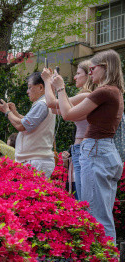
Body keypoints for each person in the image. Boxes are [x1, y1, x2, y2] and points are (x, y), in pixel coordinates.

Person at [51, 49, 124, 242]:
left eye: (92, 69)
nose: (89, 73)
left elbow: (67, 114)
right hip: (104, 150)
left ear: (105, 67)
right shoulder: (114, 92)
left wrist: (60, 88)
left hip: (96, 151)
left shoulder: (105, 91)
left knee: (97, 217)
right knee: (102, 214)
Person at [41, 60, 96, 200]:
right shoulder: (87, 97)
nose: (75, 77)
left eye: (78, 73)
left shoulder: (86, 96)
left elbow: (51, 104)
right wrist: (52, 86)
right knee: (81, 197)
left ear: (88, 75)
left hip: (83, 148)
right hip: (80, 149)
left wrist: (47, 81)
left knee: (83, 199)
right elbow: (54, 108)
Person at [0, 72, 56, 177]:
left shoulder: (42, 104)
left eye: (29, 87)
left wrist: (7, 112)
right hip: (35, 161)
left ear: (41, 87)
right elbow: (28, 122)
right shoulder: (42, 103)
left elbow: (22, 126)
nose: (27, 91)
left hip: (36, 162)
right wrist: (14, 112)